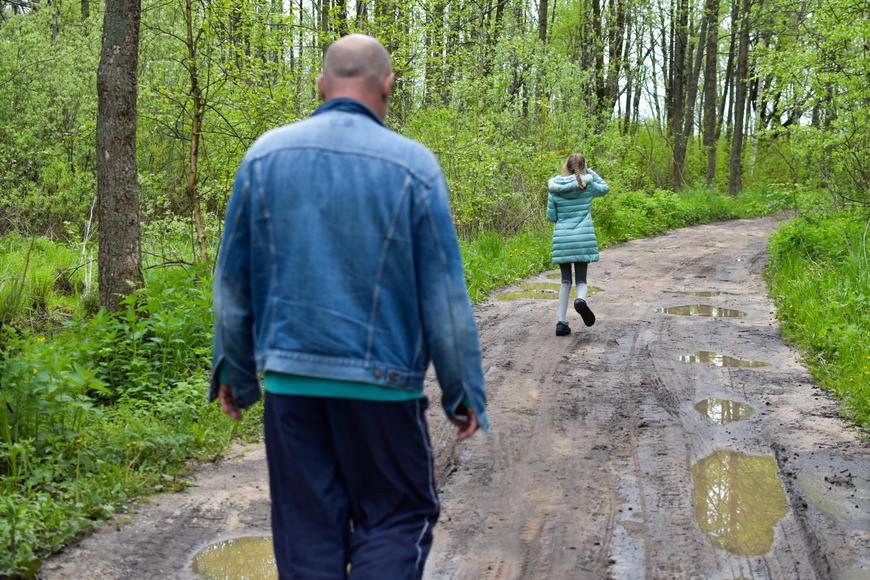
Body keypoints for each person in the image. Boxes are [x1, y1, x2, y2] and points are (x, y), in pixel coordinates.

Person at [209, 34, 488, 580]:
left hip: (292, 389)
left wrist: (235, 374)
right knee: (397, 521)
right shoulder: (414, 167)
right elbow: (444, 295)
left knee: (308, 534)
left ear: (321, 85)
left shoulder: (264, 157)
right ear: (388, 86)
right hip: (384, 392)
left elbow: (232, 284)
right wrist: (462, 389)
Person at [546, 153, 610, 336]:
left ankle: (561, 323)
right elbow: (605, 188)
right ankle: (580, 300)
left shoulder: (554, 188)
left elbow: (551, 217)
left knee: (565, 280)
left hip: (563, 240)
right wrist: (589, 173)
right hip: (583, 238)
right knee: (581, 280)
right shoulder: (587, 185)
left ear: (565, 167)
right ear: (584, 167)